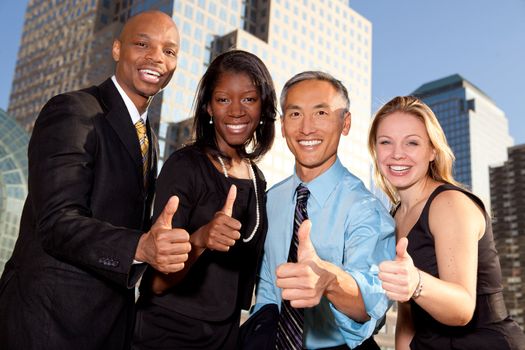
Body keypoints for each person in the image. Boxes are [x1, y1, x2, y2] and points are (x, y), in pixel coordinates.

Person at [0, 11, 192, 350]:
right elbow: (57, 222)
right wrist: (140, 246)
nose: (157, 58)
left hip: (109, 324)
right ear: (117, 49)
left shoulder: (146, 137)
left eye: (169, 51)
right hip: (51, 324)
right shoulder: (73, 111)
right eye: (142, 44)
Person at [132, 49, 277, 350]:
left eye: (248, 99)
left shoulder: (257, 179)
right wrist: (200, 239)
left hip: (225, 335)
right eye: (223, 99)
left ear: (263, 106)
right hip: (168, 335)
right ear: (209, 107)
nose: (236, 111)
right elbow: (157, 283)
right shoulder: (186, 165)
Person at [252, 71, 396, 350]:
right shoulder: (270, 201)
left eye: (321, 113)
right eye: (295, 115)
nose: (307, 128)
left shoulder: (367, 210)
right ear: (282, 126)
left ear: (345, 123)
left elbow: (370, 305)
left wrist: (329, 281)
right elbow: (267, 295)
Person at [369, 96, 525, 350]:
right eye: (386, 142)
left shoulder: (449, 203)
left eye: (412, 143)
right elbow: (407, 317)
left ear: (432, 150)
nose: (397, 154)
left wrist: (416, 281)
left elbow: (462, 308)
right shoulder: (395, 216)